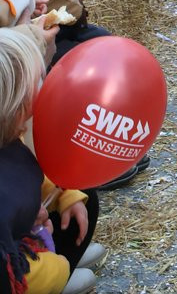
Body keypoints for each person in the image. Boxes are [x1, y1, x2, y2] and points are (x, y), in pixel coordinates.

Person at [0, 27, 105, 294]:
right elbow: (11, 272)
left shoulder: (10, 137)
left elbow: (25, 171)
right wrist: (55, 268)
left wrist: (61, 195)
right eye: (37, 85)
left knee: (82, 198)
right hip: (15, 267)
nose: (45, 92)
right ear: (15, 105)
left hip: (25, 231)